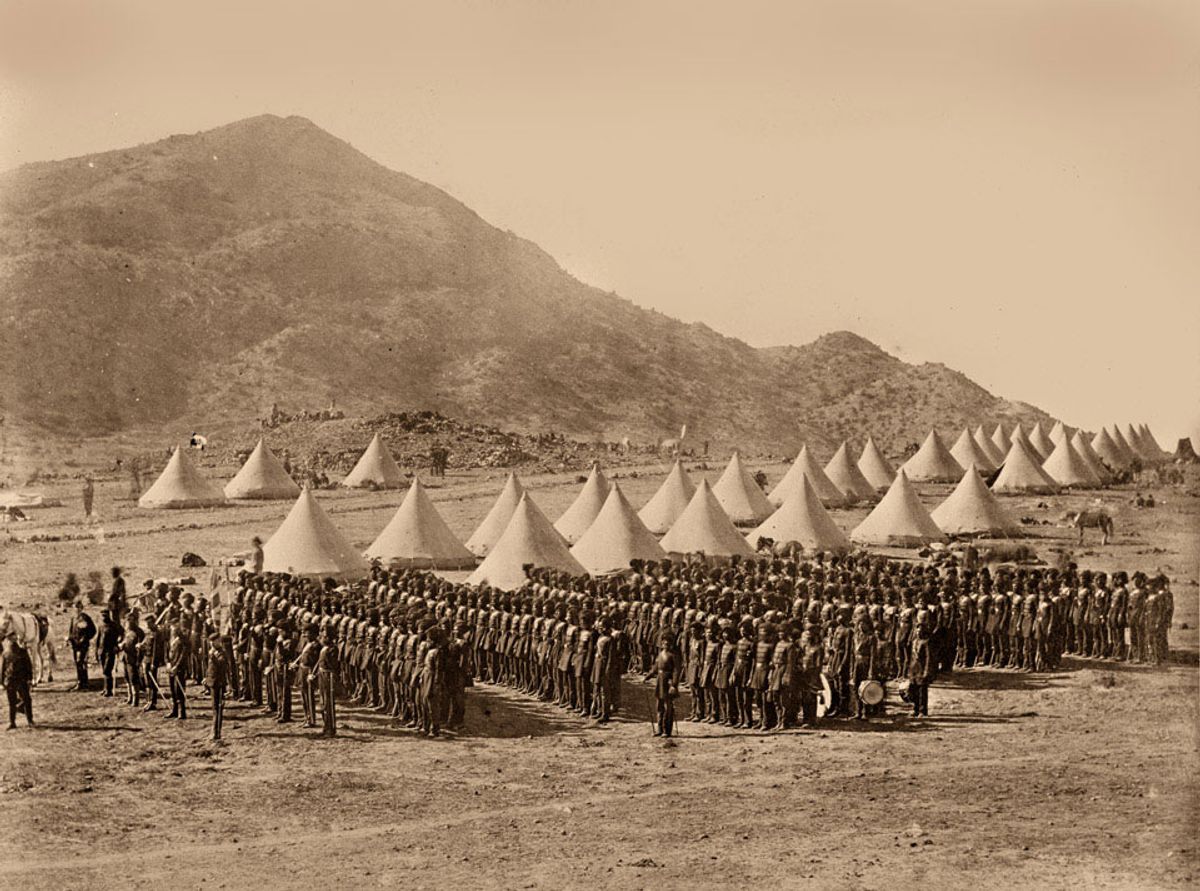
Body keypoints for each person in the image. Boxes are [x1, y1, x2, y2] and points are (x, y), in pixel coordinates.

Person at [1, 635, 35, 730]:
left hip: (12, 680)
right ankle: (29, 720)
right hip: (20, 680)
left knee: (13, 702)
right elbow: (29, 666)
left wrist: (2, 681)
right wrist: (30, 678)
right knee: (26, 700)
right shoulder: (22, 652)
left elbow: (2, 668)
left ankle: (13, 722)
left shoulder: (6, 653)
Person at [648, 636, 678, 738]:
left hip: (667, 683)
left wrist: (674, 685)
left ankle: (667, 730)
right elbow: (655, 668)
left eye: (667, 644)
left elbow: (675, 671)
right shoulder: (660, 655)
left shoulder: (672, 656)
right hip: (659, 682)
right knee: (659, 706)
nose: (665, 645)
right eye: (664, 643)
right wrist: (647, 677)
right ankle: (659, 729)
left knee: (667, 707)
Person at [908, 613, 933, 718]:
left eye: (921, 630)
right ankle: (915, 708)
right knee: (913, 689)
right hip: (913, 668)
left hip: (922, 668)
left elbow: (928, 658)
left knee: (922, 690)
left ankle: (923, 710)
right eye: (917, 630)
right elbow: (911, 656)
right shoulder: (914, 641)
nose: (918, 632)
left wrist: (927, 670)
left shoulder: (926, 642)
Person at [204, 634, 229, 741]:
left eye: (214, 642)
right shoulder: (213, 652)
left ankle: (216, 732)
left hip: (218, 683)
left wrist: (212, 657)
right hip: (212, 682)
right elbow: (210, 668)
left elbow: (221, 665)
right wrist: (206, 677)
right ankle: (214, 731)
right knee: (214, 708)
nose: (212, 644)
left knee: (218, 708)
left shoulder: (221, 653)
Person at [67, 602, 96, 691]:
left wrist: (85, 638)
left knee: (82, 662)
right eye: (75, 608)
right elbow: (71, 631)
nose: (76, 609)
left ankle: (84, 683)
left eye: (78, 608)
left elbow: (93, 630)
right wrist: (69, 639)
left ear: (81, 608)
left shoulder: (85, 618)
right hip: (75, 645)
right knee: (77, 662)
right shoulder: (73, 618)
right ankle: (80, 682)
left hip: (83, 645)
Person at [317, 627, 339, 738]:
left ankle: (331, 728)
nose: (323, 638)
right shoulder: (324, 648)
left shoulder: (332, 649)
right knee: (322, 703)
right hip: (322, 675)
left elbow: (333, 665)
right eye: (322, 636)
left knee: (328, 703)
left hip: (328, 676)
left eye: (325, 636)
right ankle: (325, 726)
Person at [165, 622, 189, 720]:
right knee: (172, 689)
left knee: (179, 689)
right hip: (171, 667)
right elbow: (166, 652)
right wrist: (167, 662)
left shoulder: (183, 641)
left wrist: (177, 666)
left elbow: (183, 655)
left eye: (175, 629)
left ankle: (181, 711)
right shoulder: (169, 640)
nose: (173, 631)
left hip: (179, 669)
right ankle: (174, 710)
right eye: (172, 629)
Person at [96, 609, 122, 697]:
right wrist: (97, 650)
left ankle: (109, 690)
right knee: (104, 670)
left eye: (105, 615)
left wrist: (118, 644)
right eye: (102, 615)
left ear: (108, 615)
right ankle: (105, 688)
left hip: (110, 651)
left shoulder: (114, 625)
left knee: (107, 670)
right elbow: (98, 638)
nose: (103, 617)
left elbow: (122, 634)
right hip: (102, 650)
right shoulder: (101, 626)